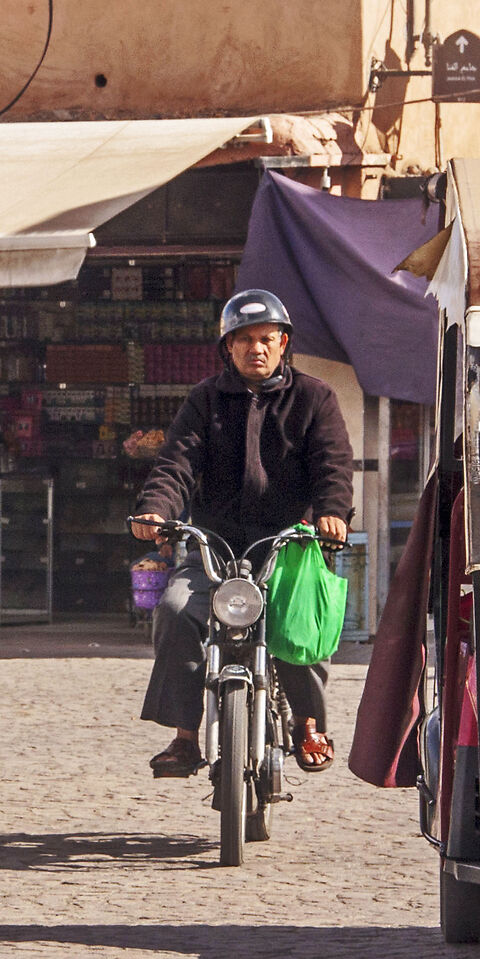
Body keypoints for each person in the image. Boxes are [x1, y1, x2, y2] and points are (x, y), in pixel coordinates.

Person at [130, 290, 351, 779]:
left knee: (298, 627)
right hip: (216, 544)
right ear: (227, 347)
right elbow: (176, 464)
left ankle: (309, 724)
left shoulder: (315, 397)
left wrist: (332, 514)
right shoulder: (205, 399)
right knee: (175, 611)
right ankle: (186, 737)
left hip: (290, 543)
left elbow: (332, 466)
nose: (256, 348)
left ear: (283, 342)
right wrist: (155, 509)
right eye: (244, 339)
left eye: (266, 339)